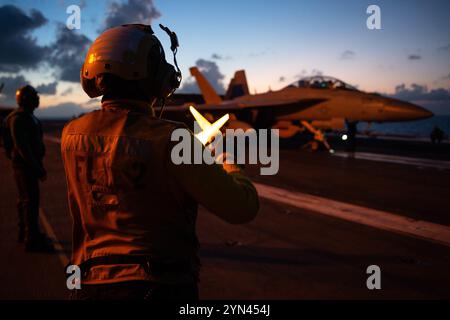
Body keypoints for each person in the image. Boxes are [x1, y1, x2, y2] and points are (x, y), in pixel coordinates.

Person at [61, 24, 259, 300]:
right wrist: (228, 159)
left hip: (88, 285)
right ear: (159, 78)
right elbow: (242, 206)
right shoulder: (174, 139)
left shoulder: (72, 133)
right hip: (156, 286)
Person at [2, 85, 54, 252]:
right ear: (26, 99)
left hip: (26, 166)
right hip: (25, 167)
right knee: (30, 202)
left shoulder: (27, 116)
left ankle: (25, 232)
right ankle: (31, 239)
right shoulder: (18, 119)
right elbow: (22, 147)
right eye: (34, 97)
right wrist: (38, 168)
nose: (38, 99)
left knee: (26, 200)